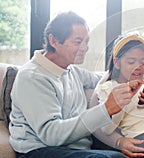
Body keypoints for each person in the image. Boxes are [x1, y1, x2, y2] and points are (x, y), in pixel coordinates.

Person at [8, 12, 133, 158]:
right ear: (54, 41)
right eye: (78, 41)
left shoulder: (71, 70)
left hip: (76, 149)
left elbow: (99, 78)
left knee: (137, 149)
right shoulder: (33, 77)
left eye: (86, 41)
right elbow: (51, 135)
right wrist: (106, 109)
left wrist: (139, 73)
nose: (85, 48)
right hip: (39, 150)